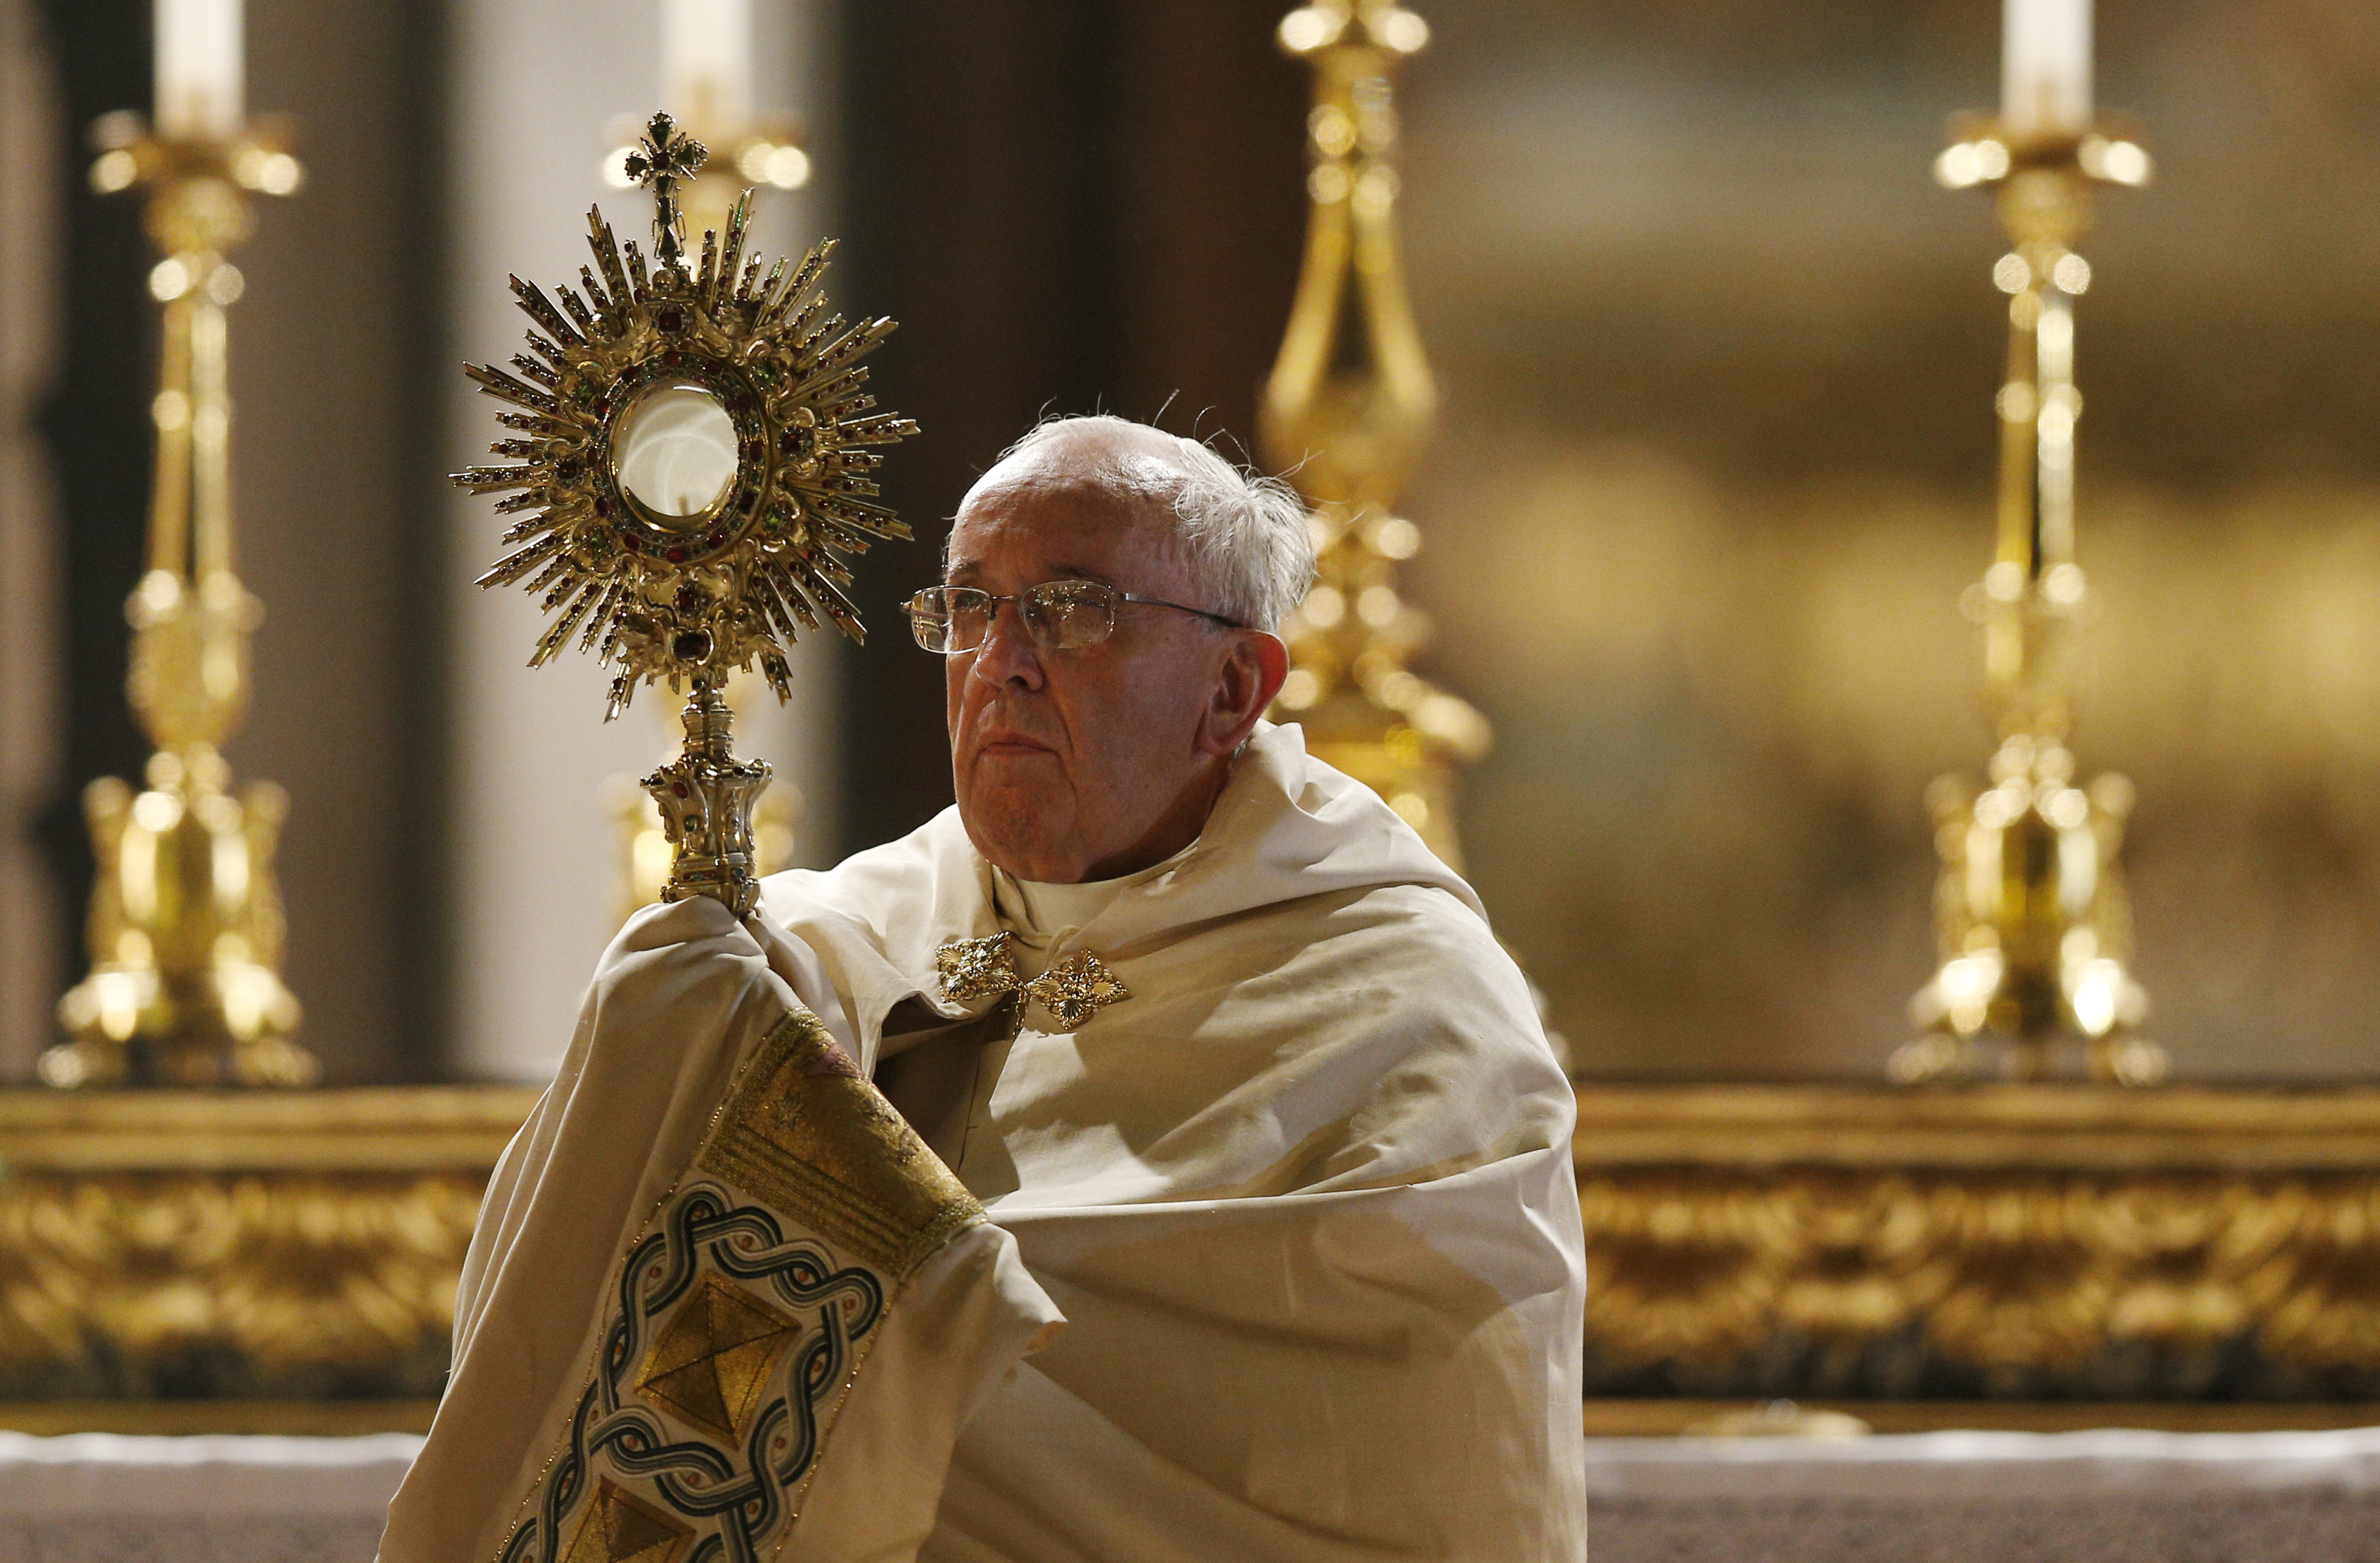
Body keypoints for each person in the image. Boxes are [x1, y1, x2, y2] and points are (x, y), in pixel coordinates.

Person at [379, 415, 1586, 1563]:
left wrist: (910, 1311)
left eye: (1071, 611)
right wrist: (691, 997)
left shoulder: (1413, 1003)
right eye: (968, 608)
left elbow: (1421, 1438)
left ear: (1234, 689)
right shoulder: (837, 934)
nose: (1000, 665)